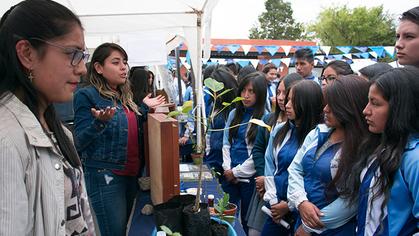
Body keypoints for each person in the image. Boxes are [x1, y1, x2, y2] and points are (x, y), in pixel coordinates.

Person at [0, 0, 95, 235]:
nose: (82, 68)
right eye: (72, 54)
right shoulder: (7, 140)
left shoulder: (55, 129)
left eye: (82, 55)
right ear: (27, 54)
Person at [73, 43, 142, 236]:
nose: (123, 67)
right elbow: (78, 141)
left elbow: (128, 126)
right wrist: (99, 123)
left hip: (132, 174)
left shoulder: (124, 96)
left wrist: (143, 109)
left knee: (130, 229)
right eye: (116, 62)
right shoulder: (86, 95)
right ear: (98, 67)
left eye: (125, 62)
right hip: (107, 176)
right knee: (115, 232)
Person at [288, 75, 370, 235]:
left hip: (333, 228)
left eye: (332, 105)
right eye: (325, 103)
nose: (325, 109)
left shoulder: (363, 148)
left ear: (349, 107)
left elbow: (351, 200)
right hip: (303, 216)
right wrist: (301, 201)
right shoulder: (318, 133)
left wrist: (309, 226)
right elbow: (295, 169)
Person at [345, 67, 419, 235]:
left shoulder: (414, 159)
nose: (366, 110)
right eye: (368, 101)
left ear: (401, 108)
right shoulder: (382, 146)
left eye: (375, 103)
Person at [262, 80, 323, 235]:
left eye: (293, 101)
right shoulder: (280, 130)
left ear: (308, 104)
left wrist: (289, 206)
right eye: (288, 99)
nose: (287, 105)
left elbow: (309, 177)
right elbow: (270, 165)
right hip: (275, 207)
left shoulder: (317, 137)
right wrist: (274, 201)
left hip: (301, 211)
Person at [247, 73, 303, 235]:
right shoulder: (271, 120)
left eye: (285, 94)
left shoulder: (307, 133)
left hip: (288, 198)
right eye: (278, 92)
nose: (281, 98)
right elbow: (262, 153)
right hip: (267, 188)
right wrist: (263, 177)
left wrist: (289, 203)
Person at [222, 71, 267, 234]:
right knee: (225, 215)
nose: (246, 95)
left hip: (250, 179)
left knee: (248, 222)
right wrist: (228, 169)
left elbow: (258, 153)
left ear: (260, 94)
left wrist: (236, 171)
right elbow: (226, 143)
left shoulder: (264, 118)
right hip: (229, 174)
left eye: (251, 91)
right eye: (243, 90)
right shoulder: (235, 113)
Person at [204, 66, 238, 174]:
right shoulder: (213, 104)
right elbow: (209, 132)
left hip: (228, 163)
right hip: (213, 158)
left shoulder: (234, 109)